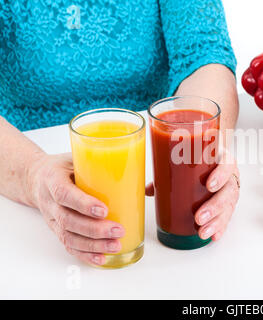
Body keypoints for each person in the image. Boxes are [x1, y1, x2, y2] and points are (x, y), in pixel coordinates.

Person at [0, 0, 239, 266]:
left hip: (154, 179)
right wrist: (32, 175)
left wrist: (202, 147)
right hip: (16, 174)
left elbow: (205, 55)